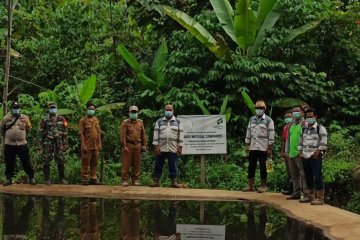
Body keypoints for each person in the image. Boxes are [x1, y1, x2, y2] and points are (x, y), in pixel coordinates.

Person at [0, 101, 35, 186]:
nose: (16, 109)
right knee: (9, 162)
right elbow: (2, 129)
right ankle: (8, 179)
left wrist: (23, 136)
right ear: (11, 109)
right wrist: (8, 137)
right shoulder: (6, 118)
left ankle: (31, 177)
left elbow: (29, 128)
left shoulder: (25, 118)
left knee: (26, 161)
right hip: (9, 144)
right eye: (15, 108)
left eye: (18, 108)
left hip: (22, 143)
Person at [243, 100, 275, 193]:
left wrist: (270, 148)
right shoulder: (251, 119)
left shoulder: (269, 120)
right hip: (253, 147)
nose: (259, 110)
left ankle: (263, 185)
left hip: (263, 147)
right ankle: (250, 185)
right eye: (257, 108)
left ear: (264, 109)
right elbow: (248, 132)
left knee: (263, 166)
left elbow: (271, 134)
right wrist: (247, 144)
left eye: (260, 108)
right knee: (251, 166)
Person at [298, 108, 327, 205]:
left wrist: (317, 153)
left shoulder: (320, 128)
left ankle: (320, 198)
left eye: (311, 117)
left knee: (318, 176)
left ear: (315, 117)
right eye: (307, 117)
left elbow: (324, 143)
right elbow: (300, 141)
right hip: (305, 156)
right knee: (308, 176)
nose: (309, 118)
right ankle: (310, 196)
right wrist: (300, 152)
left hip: (315, 156)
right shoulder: (303, 128)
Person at [150, 104, 184, 188]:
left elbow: (181, 135)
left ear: (173, 111)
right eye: (166, 110)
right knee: (158, 164)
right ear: (164, 111)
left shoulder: (178, 122)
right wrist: (156, 146)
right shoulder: (159, 121)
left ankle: (174, 182)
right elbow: (155, 134)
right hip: (161, 147)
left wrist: (180, 147)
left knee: (173, 165)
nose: (168, 111)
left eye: (170, 110)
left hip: (173, 147)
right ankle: (156, 181)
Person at [39, 102, 68, 185]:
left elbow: (65, 132)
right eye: (51, 108)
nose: (52, 109)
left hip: (59, 142)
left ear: (56, 108)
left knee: (61, 159)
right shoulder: (44, 119)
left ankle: (62, 179)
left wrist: (65, 143)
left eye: (54, 107)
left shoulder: (62, 119)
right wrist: (39, 145)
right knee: (46, 160)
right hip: (47, 142)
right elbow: (40, 133)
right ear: (48, 109)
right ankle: (47, 179)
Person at [120, 106, 147, 186]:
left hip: (138, 145)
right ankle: (124, 180)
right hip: (128, 145)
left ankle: (135, 180)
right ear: (129, 113)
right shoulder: (125, 123)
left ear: (137, 113)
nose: (133, 114)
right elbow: (123, 135)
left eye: (135, 112)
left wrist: (144, 145)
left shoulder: (140, 122)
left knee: (137, 163)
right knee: (126, 163)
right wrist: (124, 146)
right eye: (132, 112)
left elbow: (143, 134)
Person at [285, 106, 308, 201]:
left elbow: (307, 138)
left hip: (300, 153)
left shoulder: (304, 123)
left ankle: (306, 193)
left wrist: (303, 151)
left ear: (302, 112)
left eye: (297, 111)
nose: (295, 113)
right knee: (294, 174)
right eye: (293, 111)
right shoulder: (290, 125)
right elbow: (288, 139)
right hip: (291, 153)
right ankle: (296, 193)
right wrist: (287, 151)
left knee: (303, 174)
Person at [79, 102, 102, 185]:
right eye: (90, 109)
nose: (91, 110)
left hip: (95, 145)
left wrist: (100, 144)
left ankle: (93, 178)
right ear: (87, 109)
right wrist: (83, 145)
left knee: (94, 162)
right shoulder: (83, 120)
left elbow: (98, 132)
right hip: (87, 145)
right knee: (85, 162)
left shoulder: (96, 120)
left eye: (93, 109)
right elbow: (81, 133)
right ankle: (84, 178)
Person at [280, 110, 293, 195]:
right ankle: (291, 189)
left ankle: (298, 191)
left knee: (295, 172)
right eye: (285, 117)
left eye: (289, 117)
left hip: (293, 153)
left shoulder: (295, 126)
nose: (287, 118)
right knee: (289, 171)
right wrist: (282, 151)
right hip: (286, 152)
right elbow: (284, 141)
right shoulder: (285, 127)